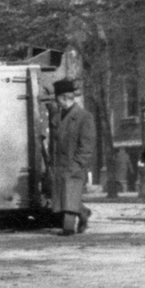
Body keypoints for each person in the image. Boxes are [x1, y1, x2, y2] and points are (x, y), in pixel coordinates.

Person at [50, 79, 95, 236]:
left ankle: (68, 228)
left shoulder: (84, 117)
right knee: (66, 195)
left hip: (74, 164)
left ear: (63, 98)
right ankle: (83, 212)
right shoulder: (58, 117)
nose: (57, 104)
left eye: (58, 100)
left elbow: (87, 147)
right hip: (60, 165)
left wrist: (76, 165)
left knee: (70, 192)